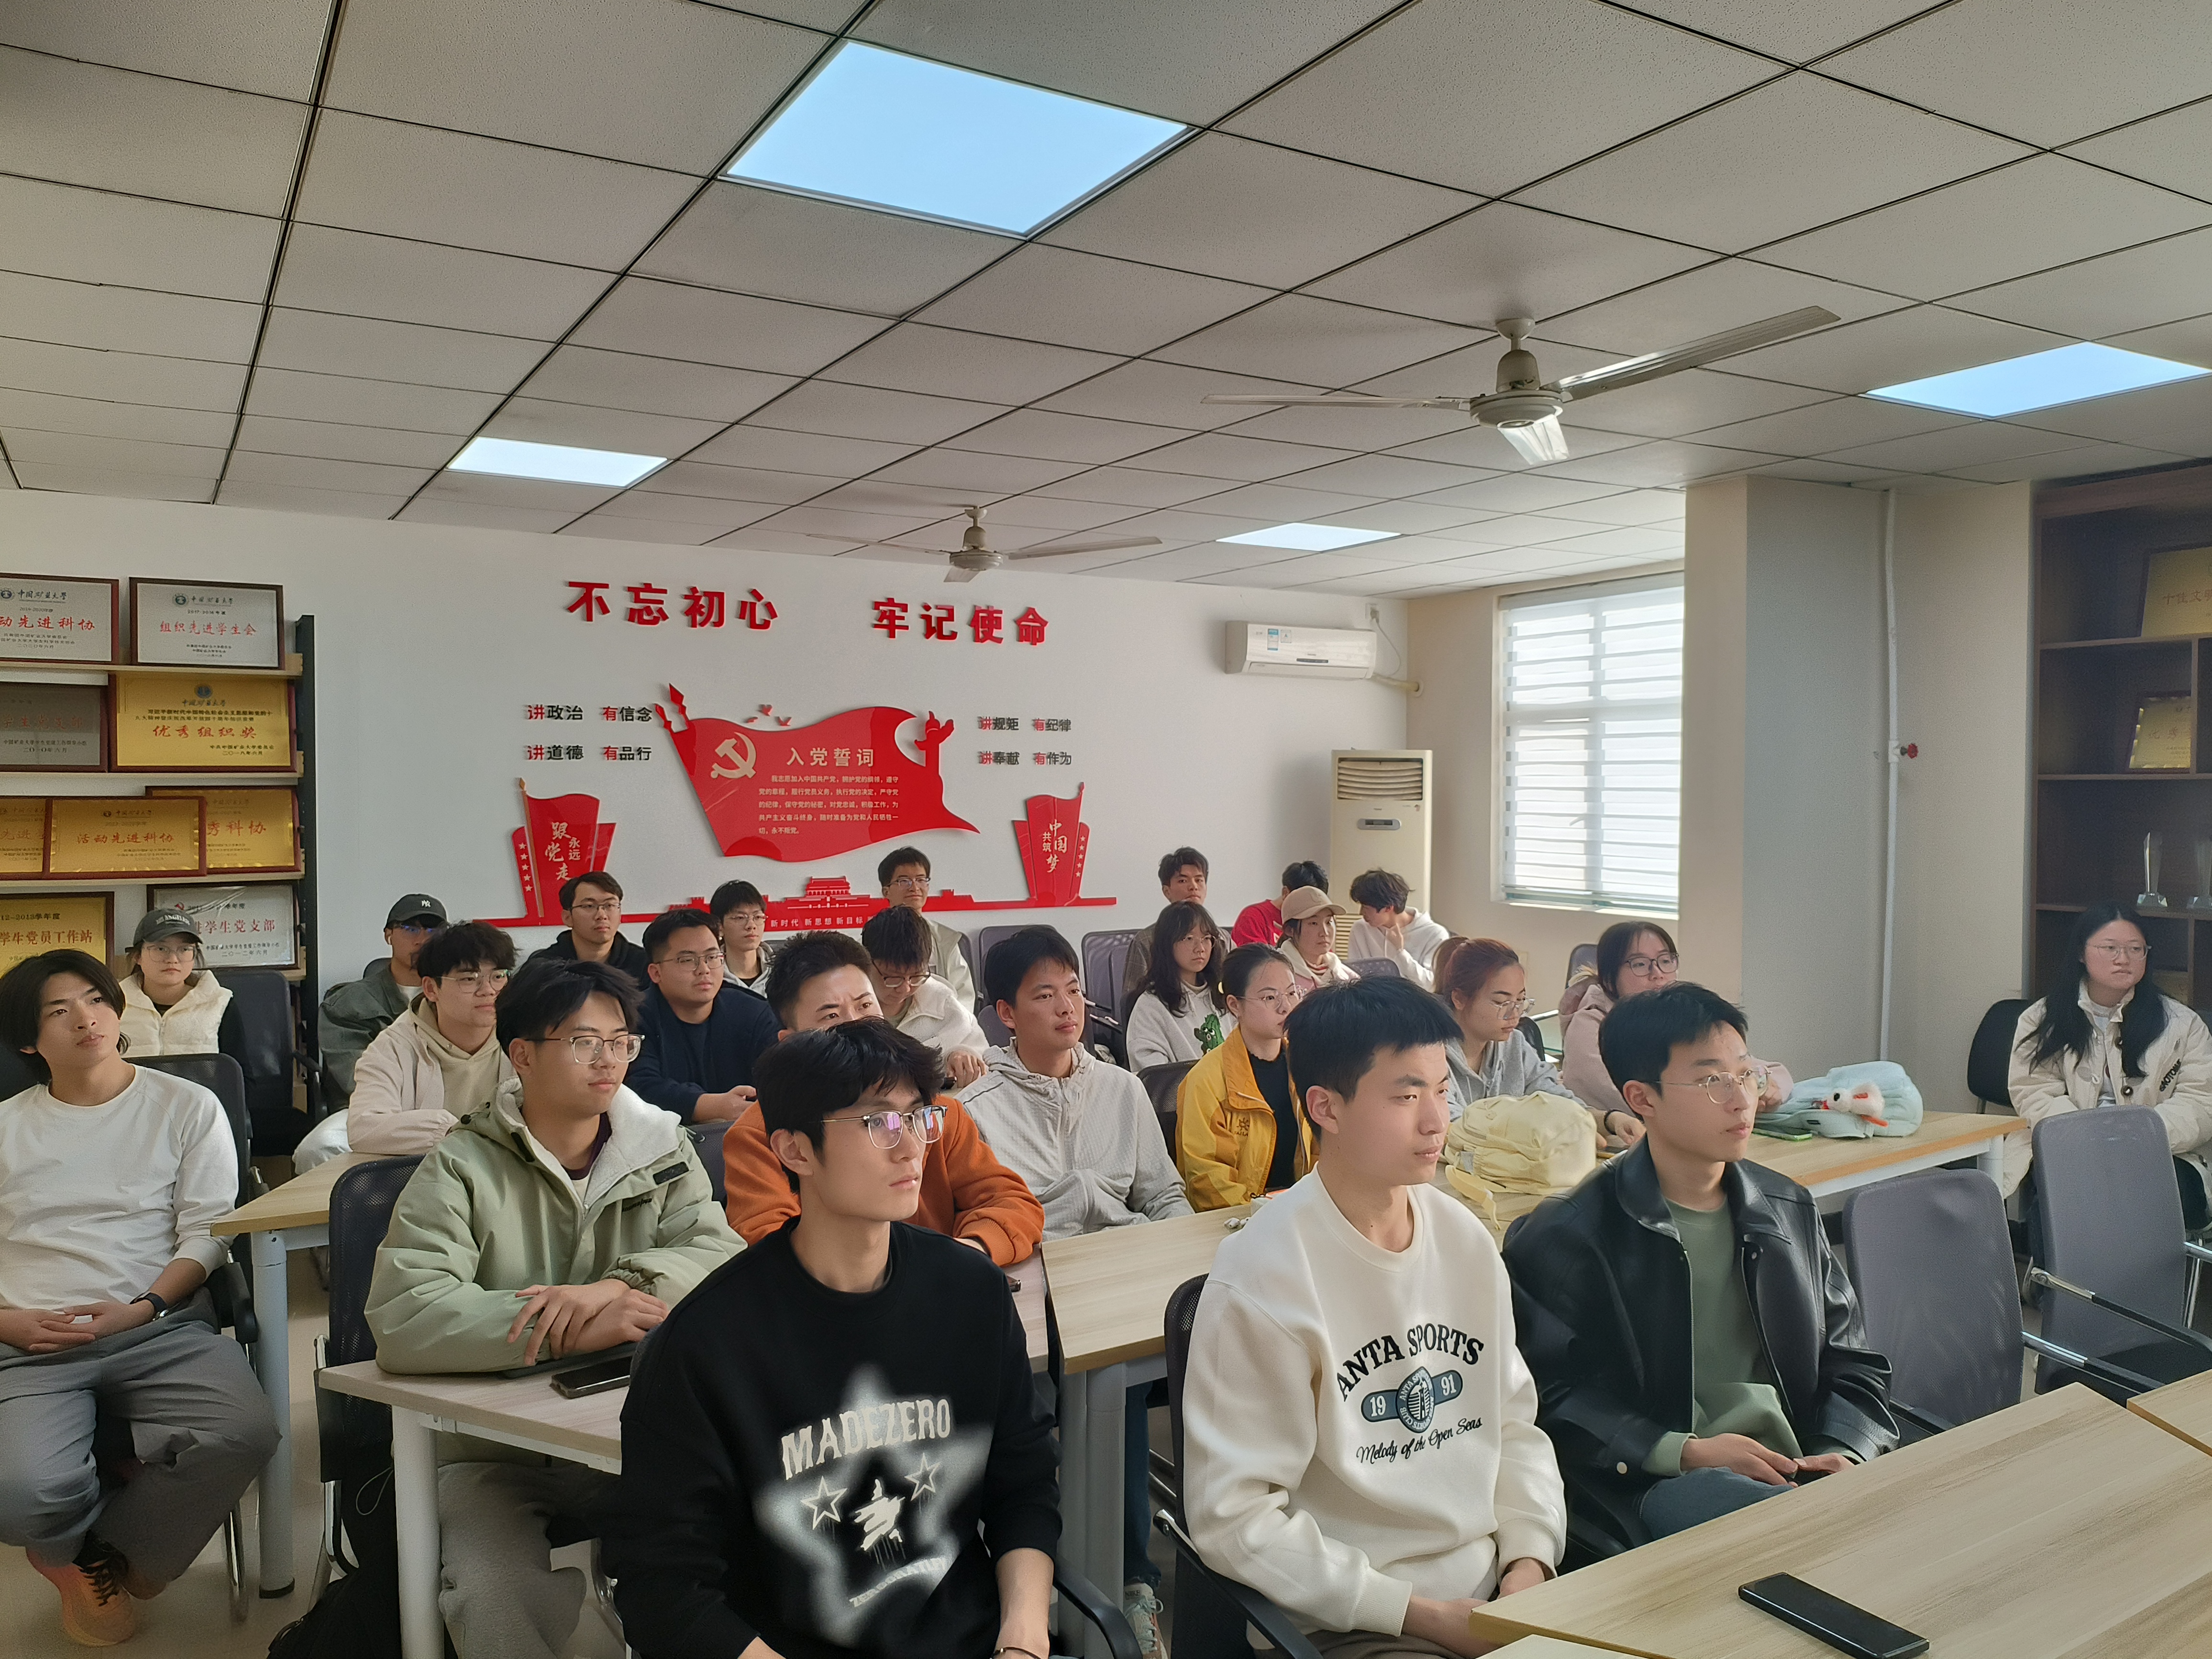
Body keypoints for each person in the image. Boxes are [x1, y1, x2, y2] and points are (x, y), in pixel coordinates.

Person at [605, 1022, 1058, 1659]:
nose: (910, 1148)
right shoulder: (707, 1343)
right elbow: (662, 1587)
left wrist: (1024, 1642)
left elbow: (1025, 1486)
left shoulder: (972, 1292)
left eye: (918, 1117)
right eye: (878, 1123)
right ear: (794, 1151)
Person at [365, 957, 740, 1659]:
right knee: (493, 1592)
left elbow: (720, 1256)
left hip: (637, 1433)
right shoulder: (461, 1165)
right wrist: (571, 1330)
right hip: (489, 1451)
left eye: (621, 1041)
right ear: (523, 1056)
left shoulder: (660, 1147)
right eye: (583, 1041)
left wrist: (619, 1286)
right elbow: (407, 1314)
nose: (608, 1060)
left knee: (751, 1547)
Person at [1181, 977, 1564, 1656]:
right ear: (1325, 1107)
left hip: (1497, 1591)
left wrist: (1529, 1562)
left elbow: (1512, 1427)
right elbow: (1233, 1520)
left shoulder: (1465, 1238)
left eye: (1442, 1090)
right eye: (1406, 1096)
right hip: (1355, 1620)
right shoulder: (1264, 1277)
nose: (1436, 1121)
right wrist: (1423, 1615)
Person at [1504, 981, 1895, 1543]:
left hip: (1799, 1464)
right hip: (1663, 1481)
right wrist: (1682, 1452)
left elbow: (1851, 1360)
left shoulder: (1785, 1207)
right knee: (1824, 1539)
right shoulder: (1567, 1234)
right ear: (1641, 1099)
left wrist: (1845, 1450)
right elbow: (1549, 1398)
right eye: (1712, 1081)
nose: (1741, 1099)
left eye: (1745, 1074)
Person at [0, 950, 279, 1648]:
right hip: (29, 1341)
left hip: (158, 1324)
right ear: (28, 1041)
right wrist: (7, 1323)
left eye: (95, 999)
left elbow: (209, 1232)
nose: (85, 1019)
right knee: (22, 1493)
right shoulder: (5, 1126)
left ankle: (108, 1554)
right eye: (57, 1011)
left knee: (243, 1433)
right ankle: (71, 1539)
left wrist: (146, 1306)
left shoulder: (186, 1105)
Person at [961, 925, 1189, 1650]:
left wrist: (1172, 1254)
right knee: (1045, 1424)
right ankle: (1036, 1590)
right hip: (1031, 1303)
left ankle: (1131, 1585)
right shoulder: (976, 1108)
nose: (1068, 1008)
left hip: (1121, 1287)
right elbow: (981, 1225)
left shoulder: (1121, 1089)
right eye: (1044, 995)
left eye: (1074, 990)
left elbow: (1164, 1196)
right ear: (1006, 1012)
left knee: (1117, 1391)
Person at [722, 931, 1045, 1267]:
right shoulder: (761, 1136)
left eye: (865, 1006)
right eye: (831, 1017)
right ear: (791, 1043)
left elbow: (1013, 1204)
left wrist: (964, 1255)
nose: (858, 1026)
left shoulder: (934, 1115)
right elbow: (769, 1245)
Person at [2008, 901, 2212, 1218]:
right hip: (2072, 1148)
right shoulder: (2042, 1019)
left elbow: (2200, 1101)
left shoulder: (2182, 1024)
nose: (2123, 959)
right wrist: (2086, 1136)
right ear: (2081, 953)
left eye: (2135, 949)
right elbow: (2034, 1090)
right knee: (2064, 1191)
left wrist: (2137, 1135)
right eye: (2110, 948)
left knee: (2142, 1192)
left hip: (2161, 1152)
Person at [1558, 921, 1791, 1121]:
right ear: (1609, 980)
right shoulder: (1589, 1025)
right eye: (1640, 964)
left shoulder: (1678, 1018)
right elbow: (1625, 1100)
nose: (1657, 973)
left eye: (1666, 960)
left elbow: (1768, 1070)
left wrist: (1765, 1086)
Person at [346, 920, 519, 1157]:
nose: (488, 990)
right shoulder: (393, 1047)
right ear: (431, 989)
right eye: (470, 979)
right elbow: (364, 1128)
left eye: (498, 977)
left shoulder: (526, 1037)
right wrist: (456, 1132)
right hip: (426, 1174)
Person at [1176, 945, 1310, 1210]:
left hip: (1303, 1212)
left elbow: (1327, 1152)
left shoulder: (1309, 1066)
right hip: (1242, 1219)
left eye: (1291, 993)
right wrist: (1265, 1216)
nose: (1286, 1007)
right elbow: (1209, 1182)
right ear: (1235, 1005)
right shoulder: (1206, 1081)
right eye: (1270, 998)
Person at [627, 907, 779, 1125]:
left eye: (712, 957)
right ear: (656, 973)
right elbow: (639, 1088)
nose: (704, 969)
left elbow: (779, 1083)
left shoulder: (755, 1013)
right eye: (688, 960)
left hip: (746, 1133)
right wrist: (714, 1107)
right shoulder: (632, 1017)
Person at [1434, 937, 1595, 1132]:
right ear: (1459, 999)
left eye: (1520, 1001)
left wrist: (1606, 1120)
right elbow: (1457, 1130)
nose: (1514, 1015)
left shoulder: (1514, 1044)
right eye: (1501, 1003)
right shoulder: (1429, 1054)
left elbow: (1553, 1097)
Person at [319, 892, 446, 1112]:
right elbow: (358, 1079)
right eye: (411, 929)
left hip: (447, 1110)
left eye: (433, 931)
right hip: (371, 1111)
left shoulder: (460, 998)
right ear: (389, 935)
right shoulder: (348, 1004)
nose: (423, 940)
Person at [862, 902, 988, 1087]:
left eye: (916, 976)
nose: (905, 989)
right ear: (866, 963)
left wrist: (963, 1053)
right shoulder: (847, 1009)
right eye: (893, 978)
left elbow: (981, 1051)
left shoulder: (942, 1002)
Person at [116, 907, 245, 1061]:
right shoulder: (113, 1003)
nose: (173, 959)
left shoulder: (219, 1003)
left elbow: (237, 1070)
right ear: (138, 956)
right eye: (161, 948)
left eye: (184, 949)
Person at [1126, 900, 1236, 1071]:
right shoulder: (1150, 1007)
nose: (1200, 948)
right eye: (1189, 938)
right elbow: (1154, 1077)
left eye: (1206, 938)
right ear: (1167, 944)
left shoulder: (1222, 994)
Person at [877, 845, 976, 1007]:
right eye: (904, 881)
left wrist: (951, 1021)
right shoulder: (873, 938)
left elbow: (964, 997)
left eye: (921, 880)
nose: (914, 887)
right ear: (886, 891)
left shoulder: (945, 940)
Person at [1121, 845, 1211, 1010]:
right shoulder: (1146, 941)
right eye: (1183, 881)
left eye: (1199, 880)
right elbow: (1132, 1002)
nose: (1193, 887)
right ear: (1167, 891)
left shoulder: (1221, 938)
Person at [526, 871, 648, 983]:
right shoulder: (544, 967)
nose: (602, 915)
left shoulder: (643, 964)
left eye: (610, 905)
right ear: (568, 917)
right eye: (589, 906)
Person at [1347, 869, 1450, 989]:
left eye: (1366, 907)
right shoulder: (1360, 929)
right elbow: (1352, 978)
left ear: (1388, 908)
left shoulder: (1434, 934)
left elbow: (1430, 985)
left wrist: (1400, 952)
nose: (1361, 913)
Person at [1278, 885, 1357, 995]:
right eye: (1314, 923)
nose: (1324, 932)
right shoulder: (1276, 973)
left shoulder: (1345, 976)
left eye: (1329, 922)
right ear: (1290, 930)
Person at [1231, 860, 1327, 950]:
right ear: (1286, 893)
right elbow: (1256, 960)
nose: (1311, 908)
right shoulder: (1253, 918)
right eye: (1305, 901)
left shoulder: (1316, 922)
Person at [709, 878, 775, 998]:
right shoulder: (709, 975)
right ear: (720, 927)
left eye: (758, 917)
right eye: (740, 918)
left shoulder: (783, 970)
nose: (751, 925)